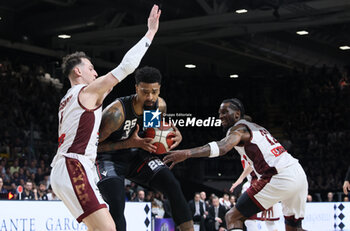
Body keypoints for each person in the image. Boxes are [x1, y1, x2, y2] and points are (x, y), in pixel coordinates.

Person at [49, 5, 161, 231]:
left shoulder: (68, 99)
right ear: (78, 72)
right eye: (91, 68)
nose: (95, 73)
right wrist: (150, 33)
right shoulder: (86, 93)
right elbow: (127, 66)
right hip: (74, 165)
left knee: (99, 228)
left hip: (70, 166)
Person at [164, 98, 308, 231]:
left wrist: (187, 153)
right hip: (298, 174)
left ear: (237, 114)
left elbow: (222, 147)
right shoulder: (256, 127)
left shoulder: (239, 129)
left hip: (279, 176)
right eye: (219, 113)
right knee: (294, 228)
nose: (220, 116)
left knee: (232, 216)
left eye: (225, 112)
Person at [96, 65, 194, 231]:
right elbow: (91, 147)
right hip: (108, 158)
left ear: (159, 89)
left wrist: (172, 137)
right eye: (145, 91)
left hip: (136, 156)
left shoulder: (157, 106)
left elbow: (152, 137)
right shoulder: (116, 113)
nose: (150, 96)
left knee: (172, 185)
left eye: (154, 91)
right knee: (117, 203)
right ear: (136, 88)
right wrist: (128, 143)